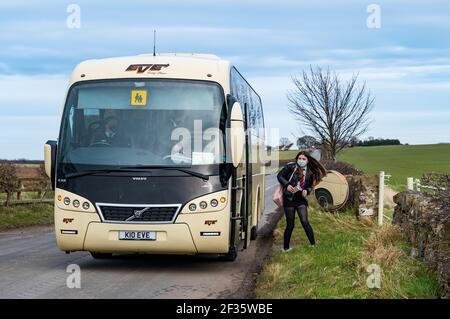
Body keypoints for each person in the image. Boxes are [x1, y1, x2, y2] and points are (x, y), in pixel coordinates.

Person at [277, 150, 327, 252]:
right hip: (289, 199)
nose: (301, 160)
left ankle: (313, 245)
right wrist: (287, 185)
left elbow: (311, 186)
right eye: (299, 158)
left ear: (308, 161)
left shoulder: (310, 172)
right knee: (290, 225)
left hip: (301, 200)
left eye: (304, 159)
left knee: (305, 221)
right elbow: (279, 176)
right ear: (297, 159)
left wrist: (306, 191)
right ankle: (286, 248)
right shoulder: (290, 167)